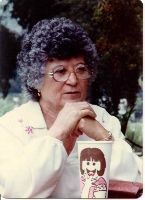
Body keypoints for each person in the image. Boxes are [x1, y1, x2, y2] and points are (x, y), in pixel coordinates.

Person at [0, 17, 142, 198]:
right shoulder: (10, 127)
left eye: (81, 69)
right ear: (36, 80)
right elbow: (15, 190)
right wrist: (58, 133)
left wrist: (102, 136)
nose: (74, 80)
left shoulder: (102, 118)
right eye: (60, 71)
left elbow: (131, 182)